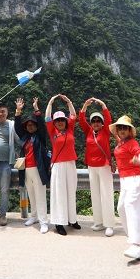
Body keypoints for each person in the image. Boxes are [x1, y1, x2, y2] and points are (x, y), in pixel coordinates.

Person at [110, 115, 140, 260]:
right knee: (121, 208)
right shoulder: (120, 143)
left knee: (131, 206)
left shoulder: (132, 143)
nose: (122, 130)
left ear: (130, 131)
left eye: (125, 128)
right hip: (124, 180)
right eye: (120, 127)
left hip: (135, 178)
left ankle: (136, 245)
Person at [78, 97, 115, 237]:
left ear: (102, 123)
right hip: (91, 167)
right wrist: (84, 107)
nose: (95, 123)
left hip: (104, 166)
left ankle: (109, 224)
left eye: (98, 121)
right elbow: (81, 121)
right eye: (93, 121)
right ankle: (98, 222)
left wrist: (103, 104)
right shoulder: (89, 131)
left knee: (106, 195)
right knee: (95, 195)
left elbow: (109, 118)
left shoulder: (106, 131)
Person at [14, 96, 51, 234]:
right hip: (26, 169)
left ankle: (43, 221)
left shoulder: (40, 137)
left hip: (38, 169)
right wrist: (18, 111)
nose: (30, 126)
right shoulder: (25, 137)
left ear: (35, 126)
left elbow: (42, 125)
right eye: (28, 125)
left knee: (40, 195)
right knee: (31, 194)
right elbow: (18, 128)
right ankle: (34, 216)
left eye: (32, 124)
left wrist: (36, 109)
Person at [46, 94, 81, 236]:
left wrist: (68, 101)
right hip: (58, 165)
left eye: (62, 120)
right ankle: (59, 222)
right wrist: (51, 102)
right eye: (58, 120)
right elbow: (47, 117)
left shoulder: (70, 129)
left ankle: (72, 219)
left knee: (71, 192)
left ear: (66, 122)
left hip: (71, 164)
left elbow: (73, 114)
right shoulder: (52, 131)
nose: (60, 122)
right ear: (54, 123)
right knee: (59, 194)